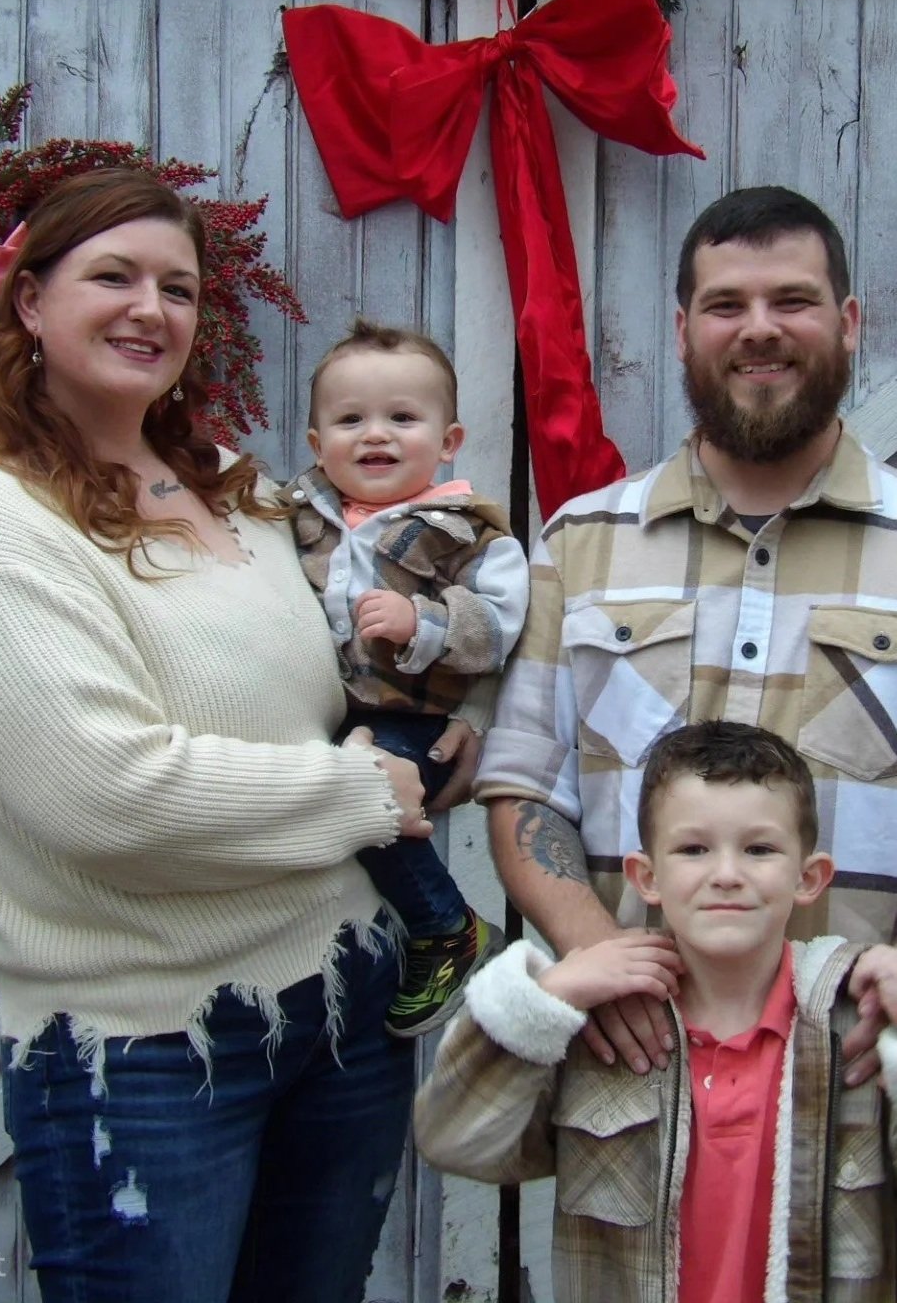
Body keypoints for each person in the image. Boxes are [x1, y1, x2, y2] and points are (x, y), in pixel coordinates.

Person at [0, 167, 476, 1303]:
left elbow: (326, 675)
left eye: (177, 288)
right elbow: (105, 796)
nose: (151, 309)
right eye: (113, 277)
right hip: (145, 1049)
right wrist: (369, 795)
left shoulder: (226, 479)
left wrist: (442, 724)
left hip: (341, 1004)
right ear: (28, 301)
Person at [478, 185, 895, 1083]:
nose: (758, 329)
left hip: (856, 1062)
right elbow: (524, 785)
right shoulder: (582, 545)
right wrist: (599, 959)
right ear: (680, 332)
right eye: (724, 306)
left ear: (849, 321)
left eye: (791, 300)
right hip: (633, 1065)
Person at [416, 720, 897, 1303]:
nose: (726, 874)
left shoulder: (857, 1020)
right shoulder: (598, 1027)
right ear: (647, 876)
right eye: (693, 849)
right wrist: (545, 997)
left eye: (760, 849)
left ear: (809, 877)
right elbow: (452, 1140)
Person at [279, 320, 529, 1035]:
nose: (374, 435)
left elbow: (501, 623)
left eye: (402, 418)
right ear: (315, 443)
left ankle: (445, 925)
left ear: (448, 441)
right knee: (333, 805)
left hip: (410, 715)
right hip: (327, 712)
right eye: (349, 419)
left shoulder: (469, 531)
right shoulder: (297, 515)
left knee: (363, 795)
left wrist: (423, 623)